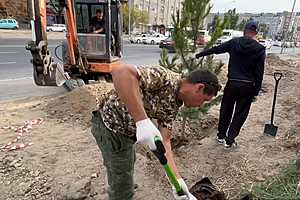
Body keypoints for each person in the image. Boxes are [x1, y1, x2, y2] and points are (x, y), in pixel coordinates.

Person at [91, 64, 221, 200]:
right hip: (111, 128)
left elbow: (165, 140)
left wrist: (177, 181)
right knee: (121, 183)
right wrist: (142, 121)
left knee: (126, 166)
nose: (200, 105)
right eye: (204, 100)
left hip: (127, 134)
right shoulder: (164, 78)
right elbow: (120, 72)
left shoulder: (174, 104)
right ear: (199, 88)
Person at [195, 20, 266, 149]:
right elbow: (259, 73)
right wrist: (256, 91)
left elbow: (216, 49)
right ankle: (229, 140)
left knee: (226, 109)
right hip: (248, 86)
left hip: (232, 83)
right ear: (256, 32)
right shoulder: (259, 49)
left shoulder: (234, 43)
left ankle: (221, 135)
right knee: (240, 113)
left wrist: (200, 54)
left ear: (244, 30)